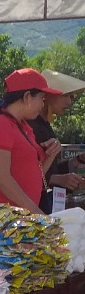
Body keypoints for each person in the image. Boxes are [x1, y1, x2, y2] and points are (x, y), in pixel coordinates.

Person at [0, 68, 63, 214]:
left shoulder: (22, 126)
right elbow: (1, 177)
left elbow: (36, 175)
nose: (43, 105)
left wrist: (51, 154)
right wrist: (36, 213)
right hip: (3, 220)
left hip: (19, 219)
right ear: (27, 97)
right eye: (41, 99)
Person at [30, 69, 85, 212]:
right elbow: (27, 174)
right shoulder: (31, 127)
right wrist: (58, 179)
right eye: (65, 95)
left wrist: (78, 160)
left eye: (71, 97)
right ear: (46, 96)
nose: (69, 101)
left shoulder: (44, 125)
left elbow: (51, 169)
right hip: (33, 207)